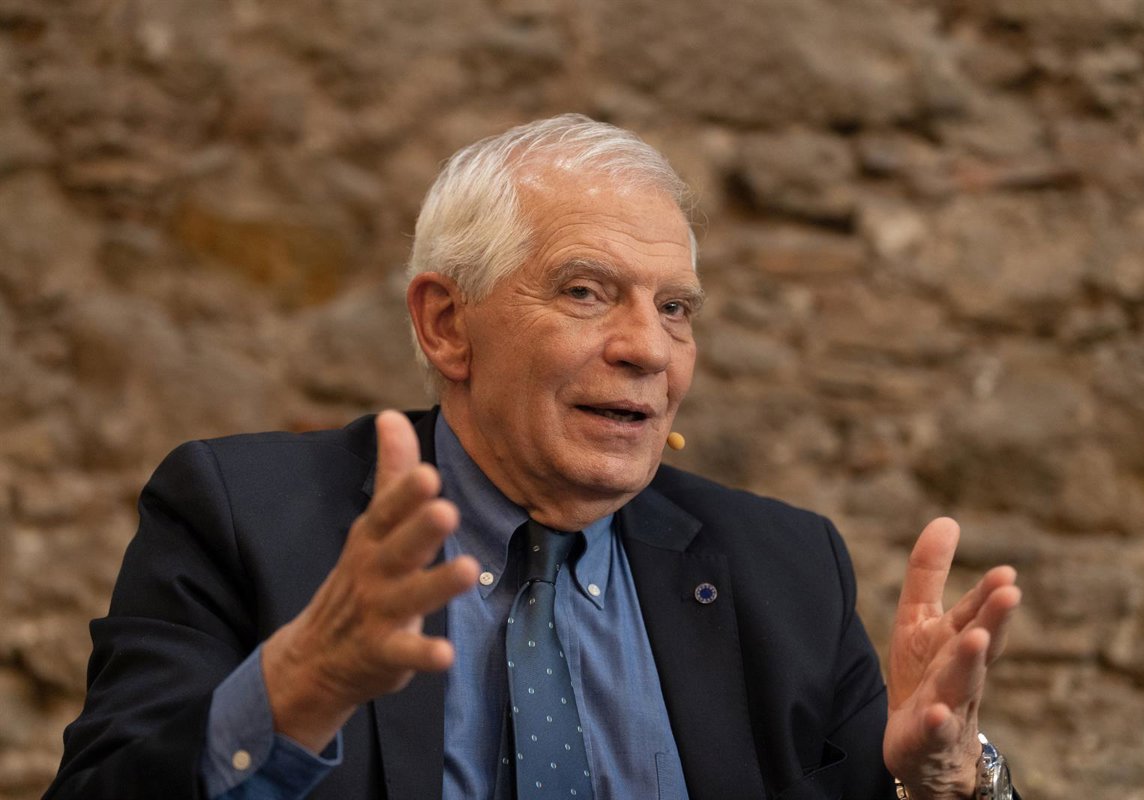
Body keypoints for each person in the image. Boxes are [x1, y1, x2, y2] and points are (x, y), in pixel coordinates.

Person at [46, 115, 1021, 800]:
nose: (647, 349)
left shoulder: (786, 569)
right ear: (446, 324)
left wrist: (945, 783)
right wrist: (298, 687)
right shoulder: (242, 517)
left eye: (674, 308)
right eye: (587, 292)